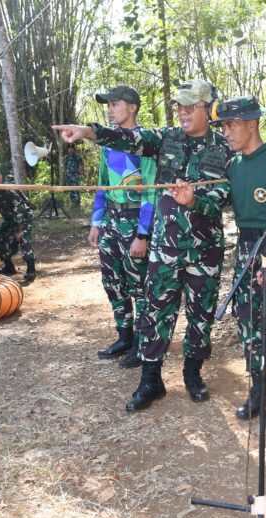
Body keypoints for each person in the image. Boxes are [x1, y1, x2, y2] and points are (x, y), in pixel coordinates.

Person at [53, 80, 231, 412]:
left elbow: (226, 197)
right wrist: (89, 132)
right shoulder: (166, 139)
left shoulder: (224, 148)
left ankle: (193, 375)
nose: (183, 112)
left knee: (200, 316)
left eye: (191, 106)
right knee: (155, 313)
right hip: (165, 249)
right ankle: (151, 381)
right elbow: (128, 138)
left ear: (209, 108)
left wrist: (198, 200)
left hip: (204, 250)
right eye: (180, 106)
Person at [190, 96, 266, 427]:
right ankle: (260, 389)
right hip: (246, 252)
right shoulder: (233, 166)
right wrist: (193, 199)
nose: (225, 132)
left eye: (230, 125)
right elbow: (218, 201)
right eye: (223, 126)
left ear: (251, 123)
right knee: (248, 323)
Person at [88, 85, 157, 367]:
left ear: (132, 107)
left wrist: (143, 234)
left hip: (134, 220)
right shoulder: (107, 145)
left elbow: (151, 192)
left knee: (138, 285)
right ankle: (124, 335)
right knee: (113, 282)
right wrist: (96, 221)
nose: (110, 109)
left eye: (115, 104)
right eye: (109, 105)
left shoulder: (147, 144)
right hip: (111, 222)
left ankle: (142, 344)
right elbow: (103, 184)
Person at [0, 168, 37, 281]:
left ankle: (31, 270)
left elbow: (21, 209)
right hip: (10, 220)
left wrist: (20, 230)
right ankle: (9, 267)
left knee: (23, 238)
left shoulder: (9, 190)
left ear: (1, 176)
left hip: (24, 217)